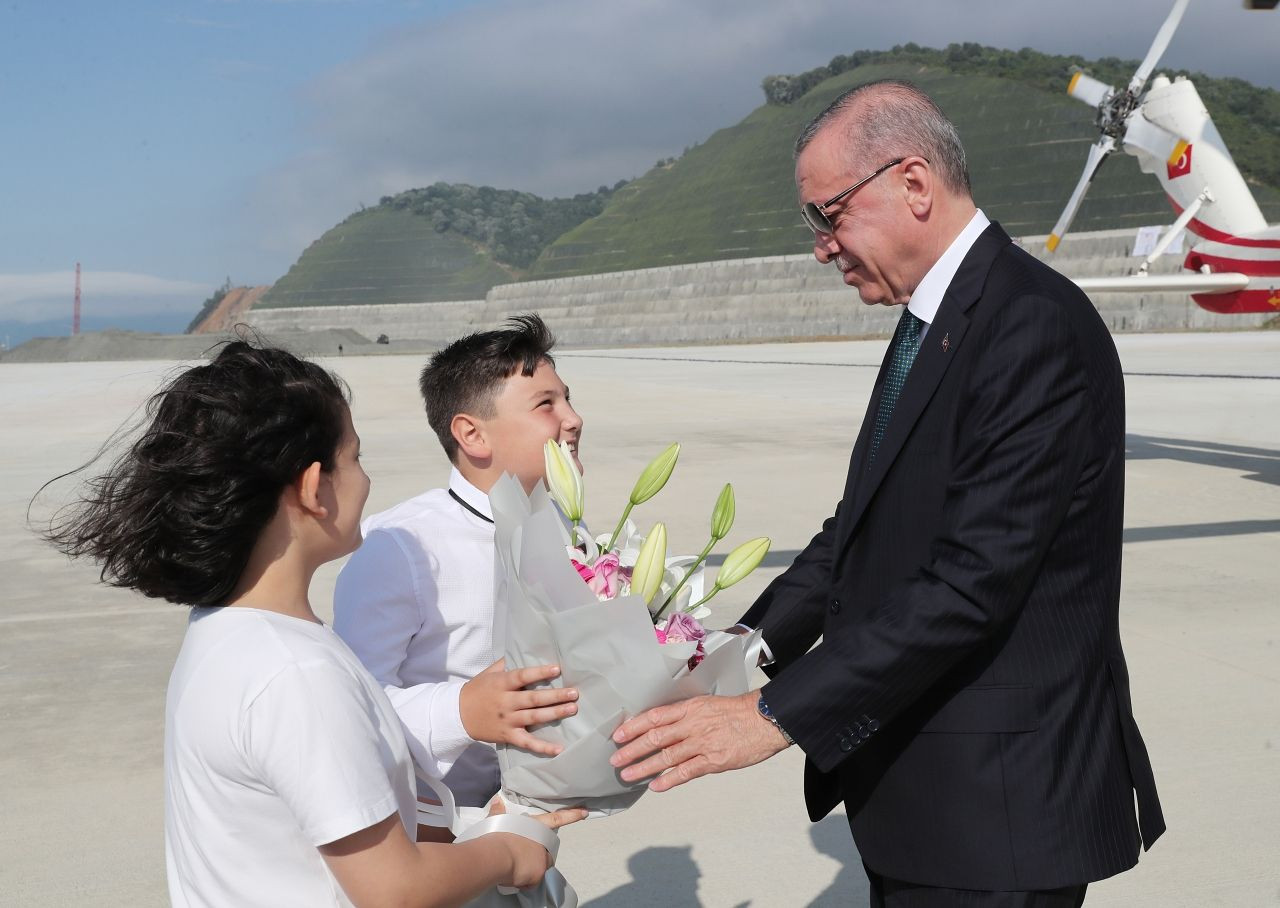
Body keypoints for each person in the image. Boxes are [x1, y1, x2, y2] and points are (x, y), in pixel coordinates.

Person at [612, 80, 1164, 906]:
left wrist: (769, 716)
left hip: (996, 813)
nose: (822, 246)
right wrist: (736, 650)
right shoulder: (933, 322)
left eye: (829, 215)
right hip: (929, 800)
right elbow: (858, 532)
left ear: (913, 183)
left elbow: (972, 582)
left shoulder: (1028, 325)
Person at [44, 340, 584, 907]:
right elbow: (395, 890)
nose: (366, 480)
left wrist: (487, 821)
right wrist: (512, 852)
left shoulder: (229, 633)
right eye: (353, 458)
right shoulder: (297, 671)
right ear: (312, 487)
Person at [334, 313, 584, 840]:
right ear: (472, 433)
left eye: (568, 399)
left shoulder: (565, 525)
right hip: (418, 832)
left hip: (526, 814)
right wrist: (467, 710)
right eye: (546, 404)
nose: (574, 419)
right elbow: (352, 706)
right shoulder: (401, 546)